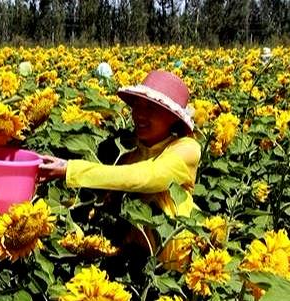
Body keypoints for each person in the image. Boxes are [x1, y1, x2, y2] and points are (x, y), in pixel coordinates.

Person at [40, 70, 201, 271]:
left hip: (175, 263)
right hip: (133, 257)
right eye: (137, 106)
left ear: (173, 117)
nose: (140, 115)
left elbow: (148, 177)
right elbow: (110, 191)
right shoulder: (129, 147)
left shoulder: (187, 148)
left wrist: (71, 169)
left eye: (151, 108)